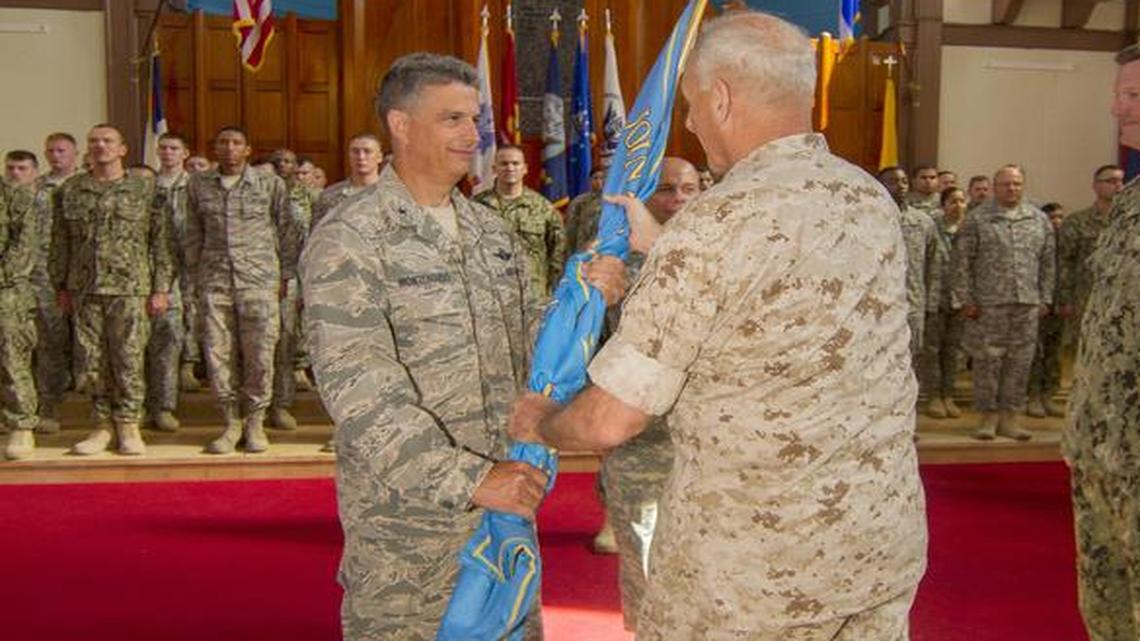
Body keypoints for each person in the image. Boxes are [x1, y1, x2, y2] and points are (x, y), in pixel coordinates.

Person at [511, 12, 926, 640]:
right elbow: (777, 294)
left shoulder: (716, 223)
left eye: (692, 105)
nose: (691, 123)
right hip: (873, 544)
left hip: (752, 573)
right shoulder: (867, 197)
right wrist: (670, 246)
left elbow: (610, 420)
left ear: (722, 97)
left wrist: (537, 419)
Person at [301, 52, 621, 640]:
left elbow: (537, 348)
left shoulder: (488, 231)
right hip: (410, 535)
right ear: (400, 124)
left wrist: (588, 303)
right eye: (452, 119)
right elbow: (360, 393)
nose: (472, 134)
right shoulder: (350, 238)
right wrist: (469, 480)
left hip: (505, 511)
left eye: (473, 119)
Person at [600, 156, 699, 633]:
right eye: (667, 189)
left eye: (689, 188)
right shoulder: (615, 259)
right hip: (639, 435)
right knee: (641, 553)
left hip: (705, 438)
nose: (678, 199)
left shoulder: (720, 253)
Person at [1063, 43, 1140, 641]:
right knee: (1109, 616)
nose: (1118, 110)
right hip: (1102, 454)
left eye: (1134, 94)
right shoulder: (1130, 202)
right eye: (1120, 94)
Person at [50, 124, 173, 456]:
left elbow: (160, 243)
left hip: (131, 287)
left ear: (122, 149)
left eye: (107, 141)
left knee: (129, 358)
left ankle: (129, 424)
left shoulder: (146, 190)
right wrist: (60, 285)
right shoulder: (71, 190)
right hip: (84, 287)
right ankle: (101, 426)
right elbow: (60, 242)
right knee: (91, 360)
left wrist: (160, 288)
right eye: (93, 142)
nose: (99, 146)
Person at [186, 126, 299, 454]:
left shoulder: (269, 183)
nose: (230, 148)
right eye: (223, 142)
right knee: (218, 354)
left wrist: (285, 275)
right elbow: (193, 232)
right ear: (215, 148)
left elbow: (286, 228)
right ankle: (230, 421)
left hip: (259, 281)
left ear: (248, 150)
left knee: (260, 353)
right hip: (215, 281)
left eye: (236, 143)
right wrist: (195, 276)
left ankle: (255, 421)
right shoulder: (198, 185)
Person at [951, 165, 1055, 441]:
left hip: (1027, 303)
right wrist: (965, 298)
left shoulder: (1037, 219)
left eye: (1017, 184)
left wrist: (1045, 297)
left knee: (1020, 361)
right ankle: (987, 417)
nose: (1012, 189)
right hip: (988, 304)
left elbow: (1047, 262)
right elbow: (962, 262)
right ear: (996, 187)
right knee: (987, 362)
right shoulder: (978, 219)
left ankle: (1011, 417)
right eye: (1006, 184)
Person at [144, 132, 195, 434]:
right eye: (162, 148)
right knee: (154, 340)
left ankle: (166, 404)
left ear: (185, 153)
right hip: (151, 271)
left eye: (174, 148)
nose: (167, 153)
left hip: (189, 269)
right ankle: (146, 405)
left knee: (178, 337)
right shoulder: (144, 186)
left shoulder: (197, 187)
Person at [31, 133, 79, 435]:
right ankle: (48, 405)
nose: (55, 155)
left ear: (75, 153)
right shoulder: (36, 188)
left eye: (61, 150)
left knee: (94, 347)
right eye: (50, 150)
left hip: (88, 274)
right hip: (47, 275)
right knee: (49, 341)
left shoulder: (87, 185)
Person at [474, 145, 566, 299]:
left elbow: (559, 254)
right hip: (490, 298)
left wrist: (552, 293)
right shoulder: (476, 206)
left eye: (515, 163)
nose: (510, 168)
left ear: (525, 168)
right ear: (494, 168)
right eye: (504, 163)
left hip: (533, 296)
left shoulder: (542, 208)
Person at [266, 148, 315, 431]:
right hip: (262, 275)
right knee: (269, 343)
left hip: (297, 275)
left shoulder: (309, 196)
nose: (282, 165)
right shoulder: (262, 192)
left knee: (288, 339)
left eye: (288, 161)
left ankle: (283, 403)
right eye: (277, 161)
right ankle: (263, 405)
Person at [878, 166, 938, 373]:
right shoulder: (871, 219)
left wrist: (930, 302)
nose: (900, 186)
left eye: (903, 181)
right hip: (880, 304)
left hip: (912, 302)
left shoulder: (923, 222)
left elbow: (932, 266)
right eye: (892, 181)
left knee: (913, 359)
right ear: (880, 185)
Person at [1057, 164, 1124, 352]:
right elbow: (1064, 262)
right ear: (1095, 186)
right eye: (1111, 181)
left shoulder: (1131, 223)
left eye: (1120, 181)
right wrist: (1065, 299)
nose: (1118, 186)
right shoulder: (1077, 222)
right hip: (1087, 300)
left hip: (1124, 300)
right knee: (1086, 353)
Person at [1, 178, 40, 459]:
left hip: (6, 288)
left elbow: (24, 246)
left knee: (11, 358)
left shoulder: (14, 195)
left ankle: (20, 424)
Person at [922, 187, 968, 419]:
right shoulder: (931, 227)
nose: (958, 205)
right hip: (935, 299)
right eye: (952, 201)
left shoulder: (971, 229)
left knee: (953, 352)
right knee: (932, 351)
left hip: (959, 301)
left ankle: (948, 395)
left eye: (961, 201)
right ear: (943, 205)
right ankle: (933, 397)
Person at [1026, 202, 1067, 418]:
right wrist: (1043, 299)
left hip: (1061, 305)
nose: (1057, 222)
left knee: (1054, 352)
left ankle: (1049, 394)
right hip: (1037, 303)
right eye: (1052, 218)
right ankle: (1033, 396)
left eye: (1060, 217)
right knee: (1035, 353)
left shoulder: (1068, 242)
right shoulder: (1036, 241)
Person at [563, 164, 606, 255]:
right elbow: (571, 231)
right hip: (584, 251)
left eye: (602, 178)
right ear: (590, 180)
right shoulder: (579, 202)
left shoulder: (617, 202)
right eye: (595, 178)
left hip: (607, 252)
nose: (599, 182)